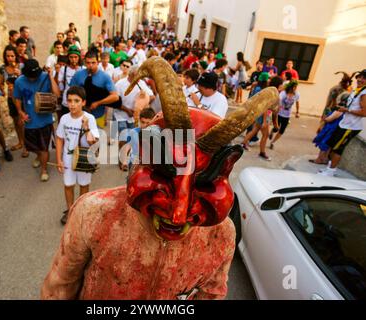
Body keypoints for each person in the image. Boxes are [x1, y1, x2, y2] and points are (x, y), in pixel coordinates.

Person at [40, 57, 278, 300]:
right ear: (141, 158)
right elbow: (60, 287)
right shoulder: (93, 213)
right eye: (164, 175)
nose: (178, 215)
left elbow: (211, 295)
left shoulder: (222, 235)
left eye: (203, 182)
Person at [56, 86, 99, 225]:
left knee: (84, 185)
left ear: (83, 102)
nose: (72, 104)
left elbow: (93, 141)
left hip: (84, 158)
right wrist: (59, 159)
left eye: (76, 101)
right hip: (68, 158)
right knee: (68, 185)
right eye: (69, 101)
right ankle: (70, 210)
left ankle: (81, 211)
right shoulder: (64, 118)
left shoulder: (90, 118)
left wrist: (86, 127)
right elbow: (59, 139)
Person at [13, 59, 61, 181]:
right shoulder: (19, 81)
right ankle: (39, 156)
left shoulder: (45, 77)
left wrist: (50, 76)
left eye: (35, 76)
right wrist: (20, 112)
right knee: (31, 147)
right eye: (30, 76)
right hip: (29, 121)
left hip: (45, 120)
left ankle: (44, 169)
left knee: (44, 147)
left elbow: (57, 94)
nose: (33, 79)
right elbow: (17, 98)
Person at [319, 69, 366, 177]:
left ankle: (331, 172)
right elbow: (352, 106)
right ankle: (328, 169)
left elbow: (364, 112)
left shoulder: (364, 93)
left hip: (351, 127)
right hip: (344, 124)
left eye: (364, 78)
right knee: (332, 146)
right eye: (360, 77)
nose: (360, 79)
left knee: (337, 150)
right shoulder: (357, 90)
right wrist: (343, 108)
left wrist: (347, 110)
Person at [114, 66, 154, 170]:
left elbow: (152, 96)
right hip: (120, 115)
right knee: (123, 138)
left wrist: (143, 103)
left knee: (131, 139)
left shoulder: (141, 84)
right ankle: (122, 159)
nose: (139, 78)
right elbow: (115, 101)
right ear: (131, 74)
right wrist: (127, 110)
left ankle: (128, 160)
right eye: (137, 75)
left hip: (134, 117)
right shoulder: (120, 84)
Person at [70, 51, 119, 129]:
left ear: (98, 62)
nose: (91, 65)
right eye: (88, 63)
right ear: (84, 62)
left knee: (96, 140)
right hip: (79, 116)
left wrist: (98, 103)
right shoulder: (78, 75)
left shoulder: (105, 76)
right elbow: (71, 93)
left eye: (93, 62)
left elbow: (115, 97)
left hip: (98, 117)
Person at [0, 45, 26, 157]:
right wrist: (1, 89)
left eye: (12, 56)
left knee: (22, 121)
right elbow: (1, 82)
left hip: (21, 98)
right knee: (16, 121)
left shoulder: (21, 66)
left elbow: (28, 81)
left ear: (16, 56)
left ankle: (27, 146)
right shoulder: (2, 68)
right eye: (8, 56)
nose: (10, 58)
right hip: (10, 98)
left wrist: (20, 74)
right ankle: (20, 142)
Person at [241, 72, 274, 160]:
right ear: (265, 80)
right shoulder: (263, 90)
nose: (269, 80)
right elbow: (264, 106)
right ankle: (262, 153)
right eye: (268, 79)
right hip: (262, 114)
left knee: (254, 130)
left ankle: (243, 143)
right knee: (265, 135)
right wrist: (264, 121)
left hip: (256, 112)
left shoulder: (257, 87)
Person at [269, 80, 300, 149]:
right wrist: (275, 111)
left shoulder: (297, 94)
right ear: (290, 87)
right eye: (294, 87)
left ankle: (273, 142)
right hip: (279, 114)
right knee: (276, 128)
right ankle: (272, 131)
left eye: (296, 87)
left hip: (287, 115)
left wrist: (297, 112)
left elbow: (297, 102)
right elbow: (278, 101)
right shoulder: (283, 93)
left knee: (282, 130)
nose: (295, 89)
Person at [57, 46, 84, 120]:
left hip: (80, 102)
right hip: (67, 102)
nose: (73, 59)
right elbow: (61, 87)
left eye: (75, 57)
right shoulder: (64, 69)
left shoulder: (83, 69)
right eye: (71, 57)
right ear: (68, 58)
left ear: (79, 57)